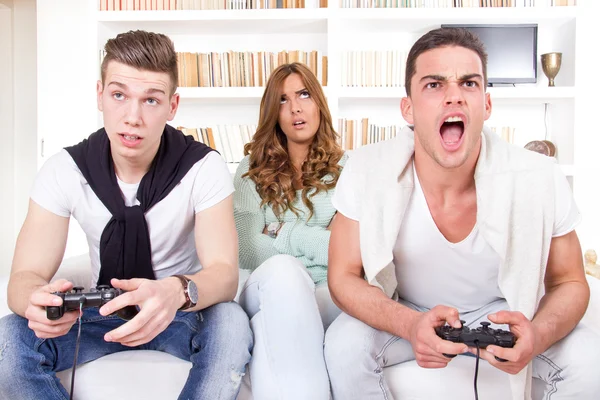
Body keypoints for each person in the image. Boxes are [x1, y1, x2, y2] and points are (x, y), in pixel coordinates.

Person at [324, 27, 600, 399]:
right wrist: (409, 325)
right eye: (434, 85)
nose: (454, 96)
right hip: (411, 308)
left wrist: (538, 335)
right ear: (408, 107)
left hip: (505, 313)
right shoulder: (365, 171)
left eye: (468, 84)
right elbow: (342, 276)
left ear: (486, 104)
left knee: (588, 358)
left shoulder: (539, 176)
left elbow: (569, 281)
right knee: (344, 344)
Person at [0, 30, 252, 400]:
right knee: (9, 335)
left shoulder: (203, 166)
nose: (132, 117)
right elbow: (24, 277)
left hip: (177, 313)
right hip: (99, 314)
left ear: (173, 106)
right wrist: (37, 303)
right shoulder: (64, 170)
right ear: (100, 94)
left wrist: (174, 291)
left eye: (151, 100)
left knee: (230, 322)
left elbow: (224, 276)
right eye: (119, 95)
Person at [233, 62, 346, 400]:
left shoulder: (347, 170)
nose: (295, 107)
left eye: (303, 94)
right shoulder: (250, 170)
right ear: (273, 113)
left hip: (326, 292)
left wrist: (281, 231)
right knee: (284, 272)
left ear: (318, 104)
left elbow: (345, 252)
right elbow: (248, 249)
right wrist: (313, 241)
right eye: (282, 100)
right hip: (267, 285)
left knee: (286, 295)